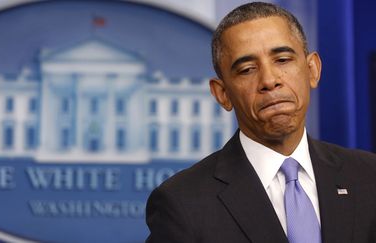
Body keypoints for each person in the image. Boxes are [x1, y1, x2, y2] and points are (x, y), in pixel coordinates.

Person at [145, 2, 376, 243]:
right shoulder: (182, 203)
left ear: (312, 70)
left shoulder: (368, 177)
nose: (269, 80)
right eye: (247, 69)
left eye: (283, 60)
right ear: (222, 93)